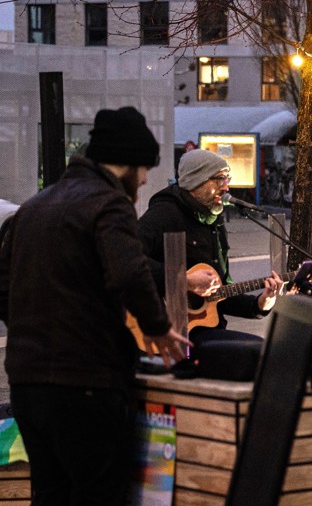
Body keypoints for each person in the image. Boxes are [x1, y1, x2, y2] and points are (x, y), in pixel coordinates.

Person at [0, 107, 189, 503]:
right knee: (99, 494)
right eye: (144, 170)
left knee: (51, 494)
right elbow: (129, 272)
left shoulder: (35, 206)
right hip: (86, 383)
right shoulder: (108, 204)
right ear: (128, 163)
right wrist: (156, 326)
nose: (144, 181)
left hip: (27, 382)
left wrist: (26, 329)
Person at [138, 149, 283, 346]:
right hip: (168, 332)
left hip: (207, 330)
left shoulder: (214, 221)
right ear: (195, 181)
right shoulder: (164, 215)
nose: (226, 187)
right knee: (261, 353)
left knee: (268, 351)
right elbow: (128, 261)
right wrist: (183, 280)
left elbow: (219, 293)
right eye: (219, 179)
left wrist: (260, 304)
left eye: (227, 178)